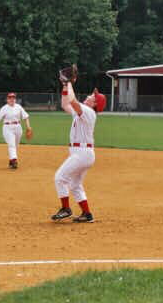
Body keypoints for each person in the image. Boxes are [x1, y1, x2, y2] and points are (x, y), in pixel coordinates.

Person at [51, 80, 106, 223]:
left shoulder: (88, 112)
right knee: (75, 184)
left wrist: (69, 82)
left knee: (60, 178)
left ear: (94, 104)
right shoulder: (80, 112)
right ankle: (87, 214)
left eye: (92, 97)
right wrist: (64, 86)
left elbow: (73, 100)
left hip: (82, 153)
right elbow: (65, 104)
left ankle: (66, 209)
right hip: (83, 153)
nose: (89, 96)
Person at [0, 92, 32, 169]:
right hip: (7, 128)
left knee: (15, 145)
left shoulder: (18, 107)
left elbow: (26, 117)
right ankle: (14, 161)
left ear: (15, 99)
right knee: (11, 144)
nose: (12, 99)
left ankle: (11, 160)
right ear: (7, 99)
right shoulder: (4, 108)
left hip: (18, 127)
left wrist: (28, 127)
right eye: (10, 98)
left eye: (13, 97)